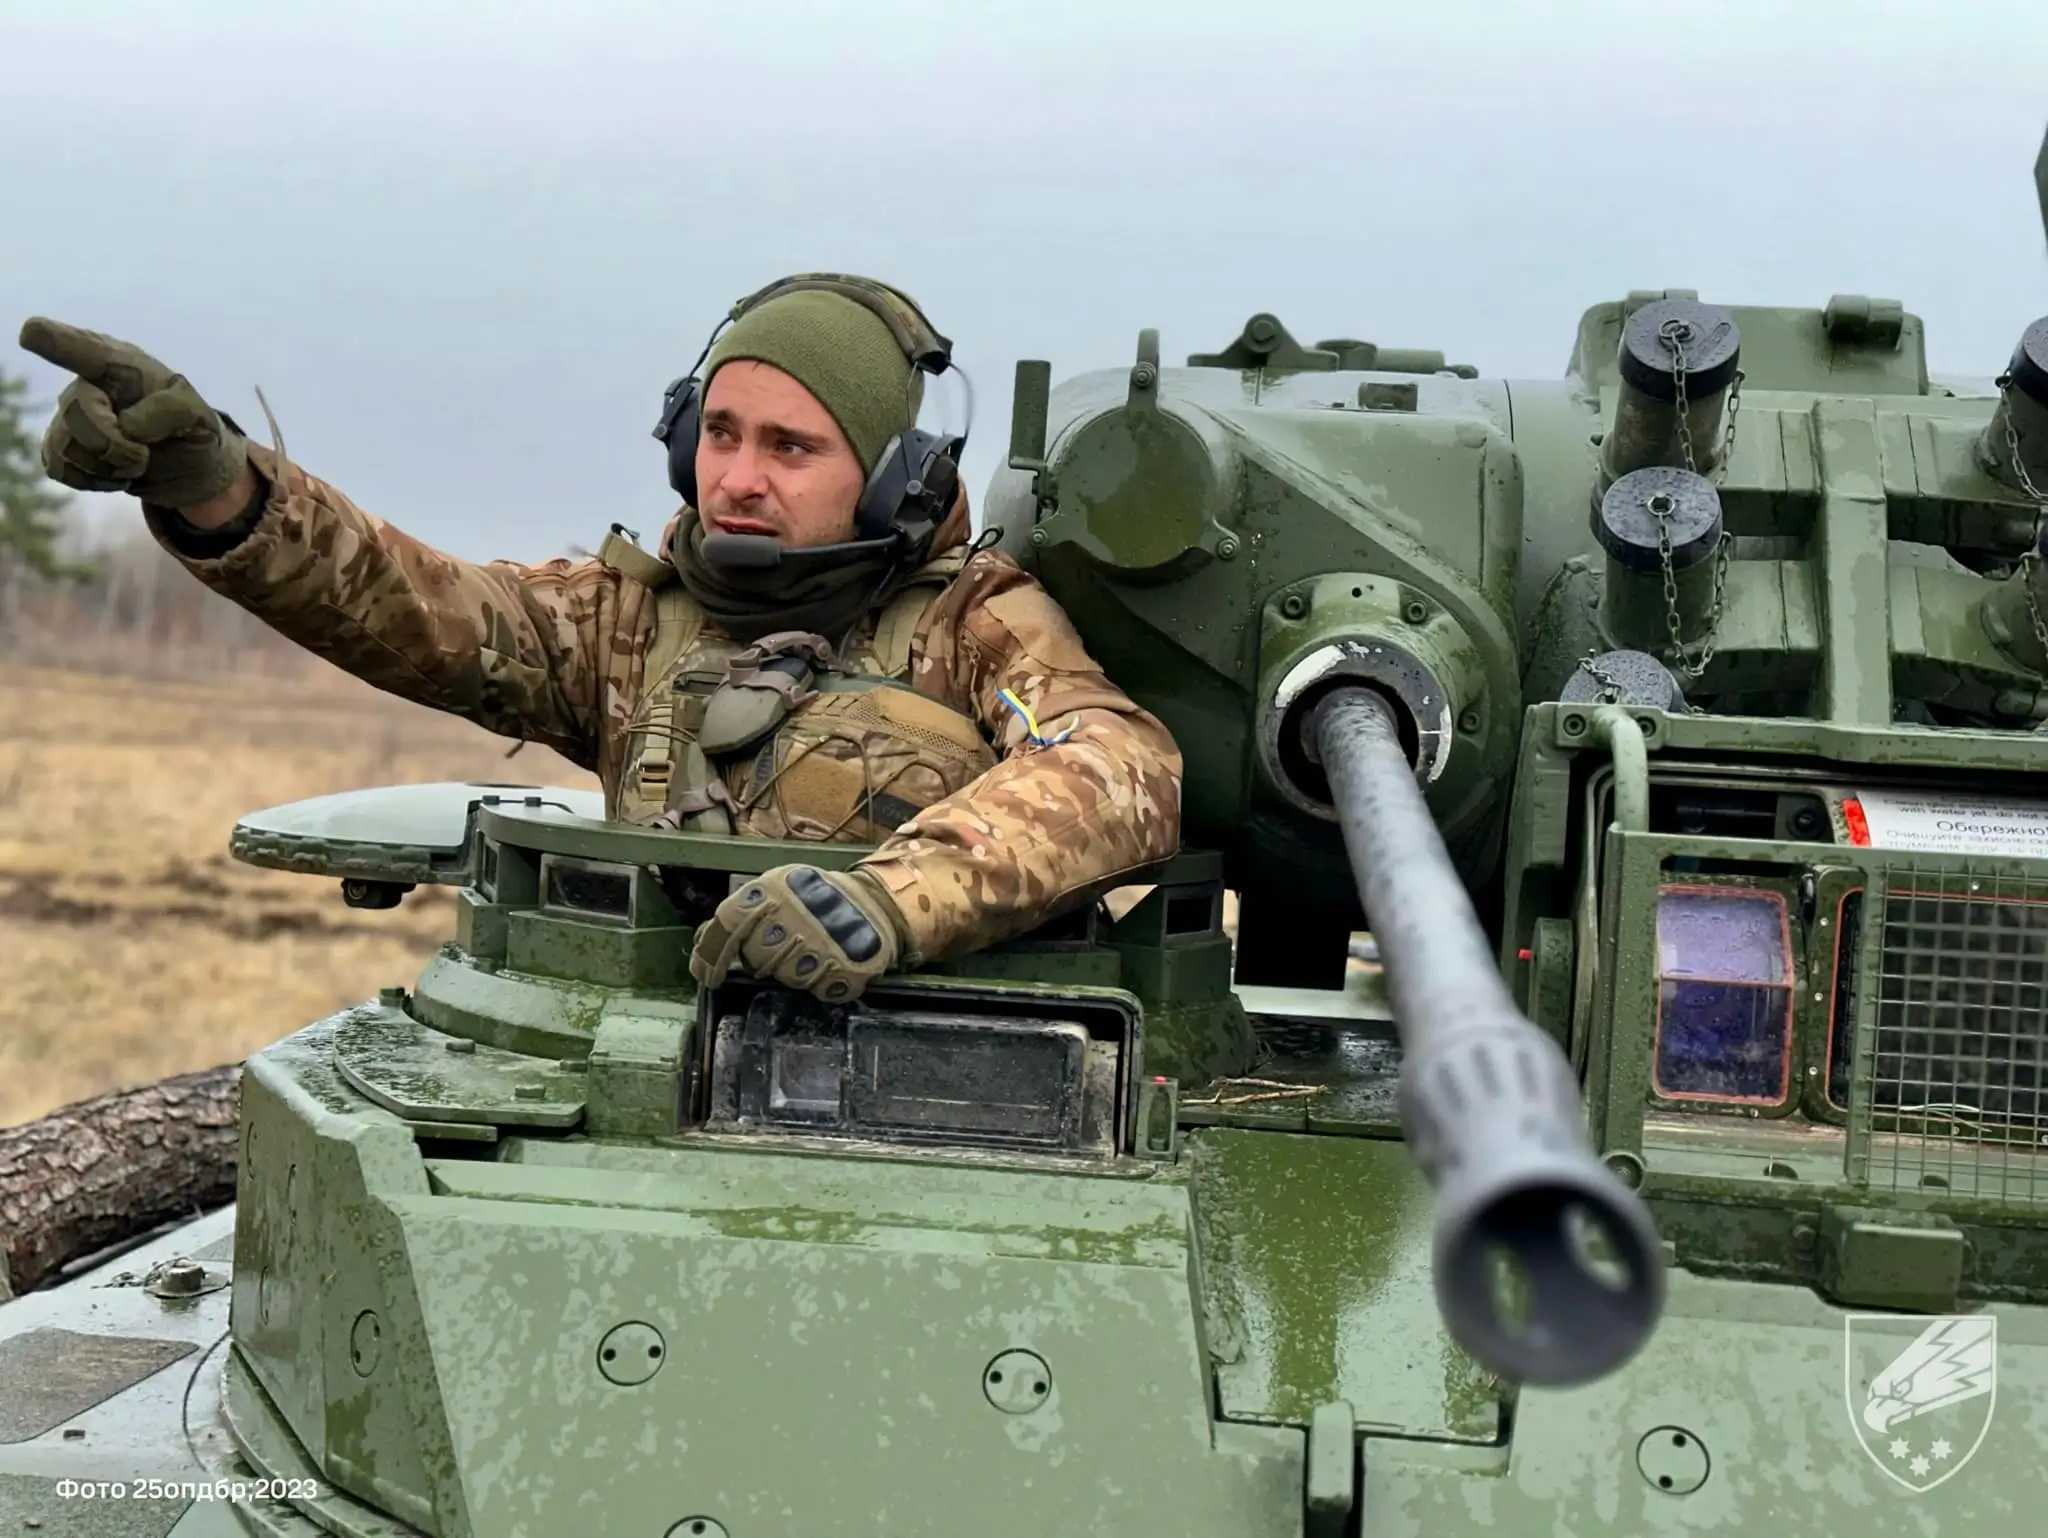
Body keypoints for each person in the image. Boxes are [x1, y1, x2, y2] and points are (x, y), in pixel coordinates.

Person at [16, 275, 1183, 1005]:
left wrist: (893, 899)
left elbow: (1116, 766)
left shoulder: (972, 622)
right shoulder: (626, 618)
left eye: (790, 447)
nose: (738, 478)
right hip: (642, 1071)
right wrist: (219, 487)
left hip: (920, 1089)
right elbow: (411, 603)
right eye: (719, 433)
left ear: (889, 480)